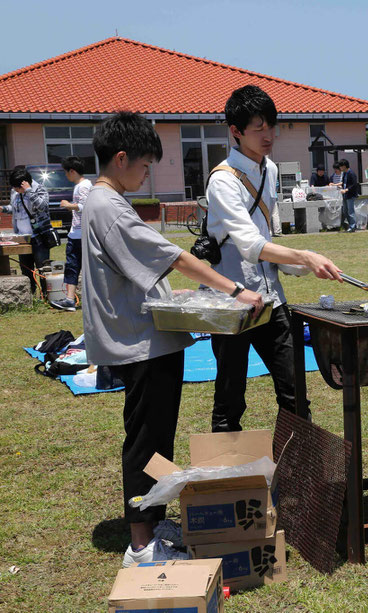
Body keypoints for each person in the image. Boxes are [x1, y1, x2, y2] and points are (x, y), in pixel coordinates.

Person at [80, 111, 264, 567]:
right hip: (142, 343)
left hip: (145, 335)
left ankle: (154, 518)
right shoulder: (109, 205)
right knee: (146, 439)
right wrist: (236, 289)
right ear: (121, 158)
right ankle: (141, 544)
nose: (147, 175)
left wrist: (169, 292)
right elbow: (175, 256)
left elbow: (135, 271)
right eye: (144, 165)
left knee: (158, 435)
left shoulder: (104, 201)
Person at [206, 85, 343, 433]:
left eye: (272, 125)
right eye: (259, 128)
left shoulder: (268, 167)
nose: (269, 135)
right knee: (230, 400)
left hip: (272, 300)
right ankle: (230, 482)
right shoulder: (222, 181)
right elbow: (251, 244)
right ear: (236, 132)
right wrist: (305, 256)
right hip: (233, 301)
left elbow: (268, 236)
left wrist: (297, 265)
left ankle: (300, 478)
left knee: (295, 393)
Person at [50, 156, 92, 311]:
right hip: (76, 233)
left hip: (81, 234)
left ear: (72, 171)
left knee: (76, 267)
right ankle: (69, 300)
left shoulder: (84, 186)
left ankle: (71, 300)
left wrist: (69, 205)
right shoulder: (80, 186)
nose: (66, 175)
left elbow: (86, 206)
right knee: (72, 267)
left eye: (66, 172)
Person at [3, 166, 53, 294]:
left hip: (38, 237)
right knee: (26, 269)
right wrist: (3, 209)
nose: (14, 190)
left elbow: (43, 207)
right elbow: (14, 208)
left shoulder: (39, 189)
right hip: (22, 238)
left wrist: (29, 192)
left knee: (42, 268)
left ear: (24, 183)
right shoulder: (15, 192)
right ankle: (30, 294)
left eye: (17, 187)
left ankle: (46, 295)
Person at [338, 159, 359, 233]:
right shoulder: (344, 173)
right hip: (345, 195)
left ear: (344, 166)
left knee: (350, 211)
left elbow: (354, 185)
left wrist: (346, 190)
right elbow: (344, 183)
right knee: (345, 211)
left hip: (350, 195)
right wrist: (340, 186)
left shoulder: (351, 173)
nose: (340, 168)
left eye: (340, 166)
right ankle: (350, 225)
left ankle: (353, 226)